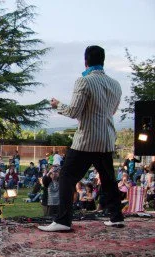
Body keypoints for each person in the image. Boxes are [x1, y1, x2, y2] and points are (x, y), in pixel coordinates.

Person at [40, 46, 125, 232]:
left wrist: (57, 105)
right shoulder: (116, 84)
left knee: (66, 177)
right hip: (106, 138)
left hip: (86, 139)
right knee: (109, 180)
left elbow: (74, 111)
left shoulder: (83, 81)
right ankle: (117, 217)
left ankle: (63, 220)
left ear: (85, 61)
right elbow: (111, 112)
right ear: (103, 61)